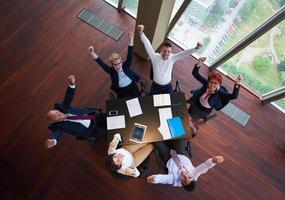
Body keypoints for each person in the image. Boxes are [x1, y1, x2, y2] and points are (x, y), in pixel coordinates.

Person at [137, 24, 203, 94]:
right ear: (161, 51)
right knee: (153, 100)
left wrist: (196, 48)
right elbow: (147, 45)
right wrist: (141, 32)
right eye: (164, 51)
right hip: (156, 86)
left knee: (170, 101)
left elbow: (184, 54)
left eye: (168, 51)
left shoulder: (172, 58)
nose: (166, 53)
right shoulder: (154, 56)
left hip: (167, 86)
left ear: (170, 52)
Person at [45, 75, 106, 149]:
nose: (62, 116)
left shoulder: (63, 107)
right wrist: (53, 141)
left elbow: (68, 96)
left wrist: (72, 84)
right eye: (59, 119)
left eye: (59, 114)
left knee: (112, 118)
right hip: (91, 130)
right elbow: (56, 134)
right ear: (56, 122)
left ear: (57, 111)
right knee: (108, 132)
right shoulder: (59, 126)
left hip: (93, 116)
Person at [187, 57, 243, 134]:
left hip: (202, 109)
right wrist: (199, 62)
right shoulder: (206, 83)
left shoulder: (220, 93)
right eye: (211, 82)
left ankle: (193, 128)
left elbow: (234, 96)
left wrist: (237, 84)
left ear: (219, 84)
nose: (212, 85)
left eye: (215, 83)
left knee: (187, 118)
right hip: (196, 99)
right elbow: (195, 74)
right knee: (181, 109)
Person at [147, 140, 224, 191]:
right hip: (181, 154)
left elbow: (164, 179)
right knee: (179, 135)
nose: (185, 175)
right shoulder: (194, 174)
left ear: (181, 182)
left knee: (157, 143)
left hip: (168, 158)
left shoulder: (174, 180)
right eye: (189, 177)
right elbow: (205, 166)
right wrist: (214, 160)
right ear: (193, 177)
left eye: (184, 179)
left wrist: (155, 179)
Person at [88, 32, 141, 98]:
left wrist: (131, 39)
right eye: (115, 65)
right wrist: (92, 53)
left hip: (132, 86)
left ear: (121, 62)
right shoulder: (111, 71)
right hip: (122, 90)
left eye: (119, 64)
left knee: (138, 98)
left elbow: (130, 55)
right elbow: (101, 63)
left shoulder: (126, 66)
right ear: (112, 65)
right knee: (126, 103)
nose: (118, 66)